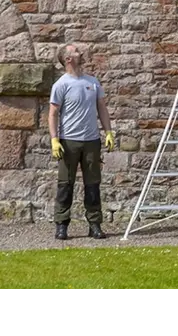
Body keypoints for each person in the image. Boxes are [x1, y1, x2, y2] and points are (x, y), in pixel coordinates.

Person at [48, 43, 115, 241]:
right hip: (69, 142)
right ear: (68, 59)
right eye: (76, 51)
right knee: (65, 185)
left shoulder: (92, 82)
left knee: (93, 184)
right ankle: (62, 225)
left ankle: (94, 224)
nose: (81, 53)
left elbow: (101, 107)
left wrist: (108, 132)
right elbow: (52, 114)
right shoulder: (61, 85)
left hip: (91, 141)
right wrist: (54, 140)